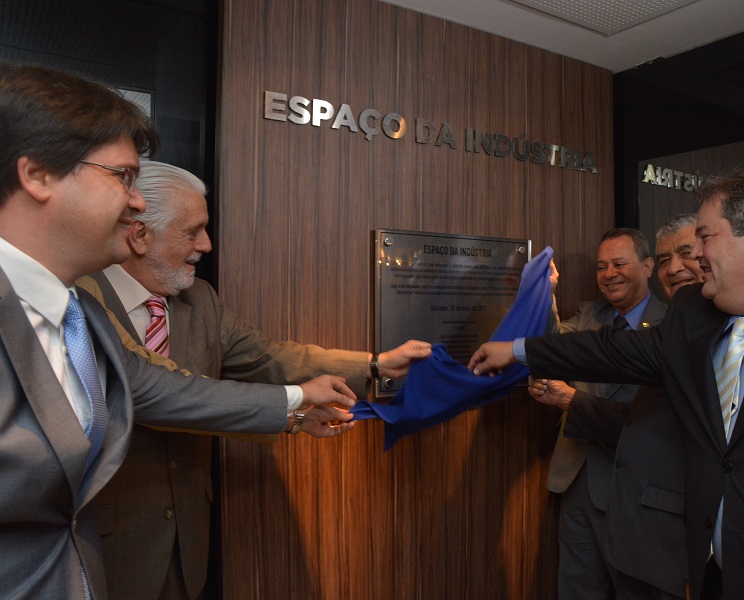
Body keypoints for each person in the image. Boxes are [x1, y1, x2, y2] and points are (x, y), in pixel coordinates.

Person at [0, 62, 354, 599]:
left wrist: (299, 400)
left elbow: (156, 389)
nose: (136, 201)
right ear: (39, 176)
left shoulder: (78, 312)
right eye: (122, 176)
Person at [469, 168, 744, 599]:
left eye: (705, 238)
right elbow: (610, 351)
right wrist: (518, 350)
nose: (696, 255)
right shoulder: (695, 312)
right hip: (717, 578)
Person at [82, 160, 431, 600]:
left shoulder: (200, 299)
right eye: (193, 231)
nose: (206, 245)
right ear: (139, 234)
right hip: (110, 541)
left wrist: (375, 365)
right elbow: (154, 393)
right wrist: (298, 400)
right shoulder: (82, 294)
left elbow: (267, 357)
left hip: (186, 544)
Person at [530, 213, 702, 599]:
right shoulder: (588, 316)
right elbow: (551, 345)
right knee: (577, 587)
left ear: (647, 267)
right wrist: (545, 294)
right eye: (601, 266)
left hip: (637, 490)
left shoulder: (670, 323)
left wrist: (570, 399)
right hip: (578, 481)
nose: (609, 274)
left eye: (619, 264)